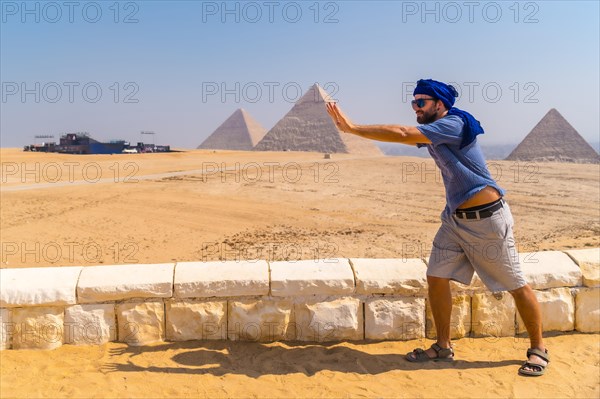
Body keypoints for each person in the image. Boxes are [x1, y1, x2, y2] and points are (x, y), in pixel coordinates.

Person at [325, 79, 549, 377]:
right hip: (454, 220)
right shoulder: (434, 131)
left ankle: (538, 349)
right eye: (413, 101)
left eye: (421, 102)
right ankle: (443, 346)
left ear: (440, 105)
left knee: (515, 284)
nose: (414, 107)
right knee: (436, 276)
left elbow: (403, 132)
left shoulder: (454, 124)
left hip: (487, 221)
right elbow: (404, 136)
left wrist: (352, 128)